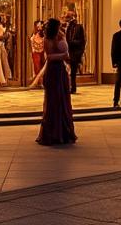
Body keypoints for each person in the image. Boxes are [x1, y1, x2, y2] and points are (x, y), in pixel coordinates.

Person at [37, 17, 76, 145]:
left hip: (60, 70)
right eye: (58, 26)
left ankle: (63, 132)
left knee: (62, 100)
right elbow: (48, 56)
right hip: (54, 70)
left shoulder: (60, 35)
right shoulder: (48, 39)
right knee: (53, 100)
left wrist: (66, 57)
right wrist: (63, 56)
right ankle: (54, 133)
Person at [65, 11, 86, 93]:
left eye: (68, 17)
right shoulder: (68, 27)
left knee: (73, 71)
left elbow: (82, 40)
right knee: (69, 71)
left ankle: (73, 88)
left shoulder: (79, 27)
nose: (67, 19)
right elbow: (67, 39)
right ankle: (69, 87)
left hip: (76, 52)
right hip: (68, 52)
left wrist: (80, 52)